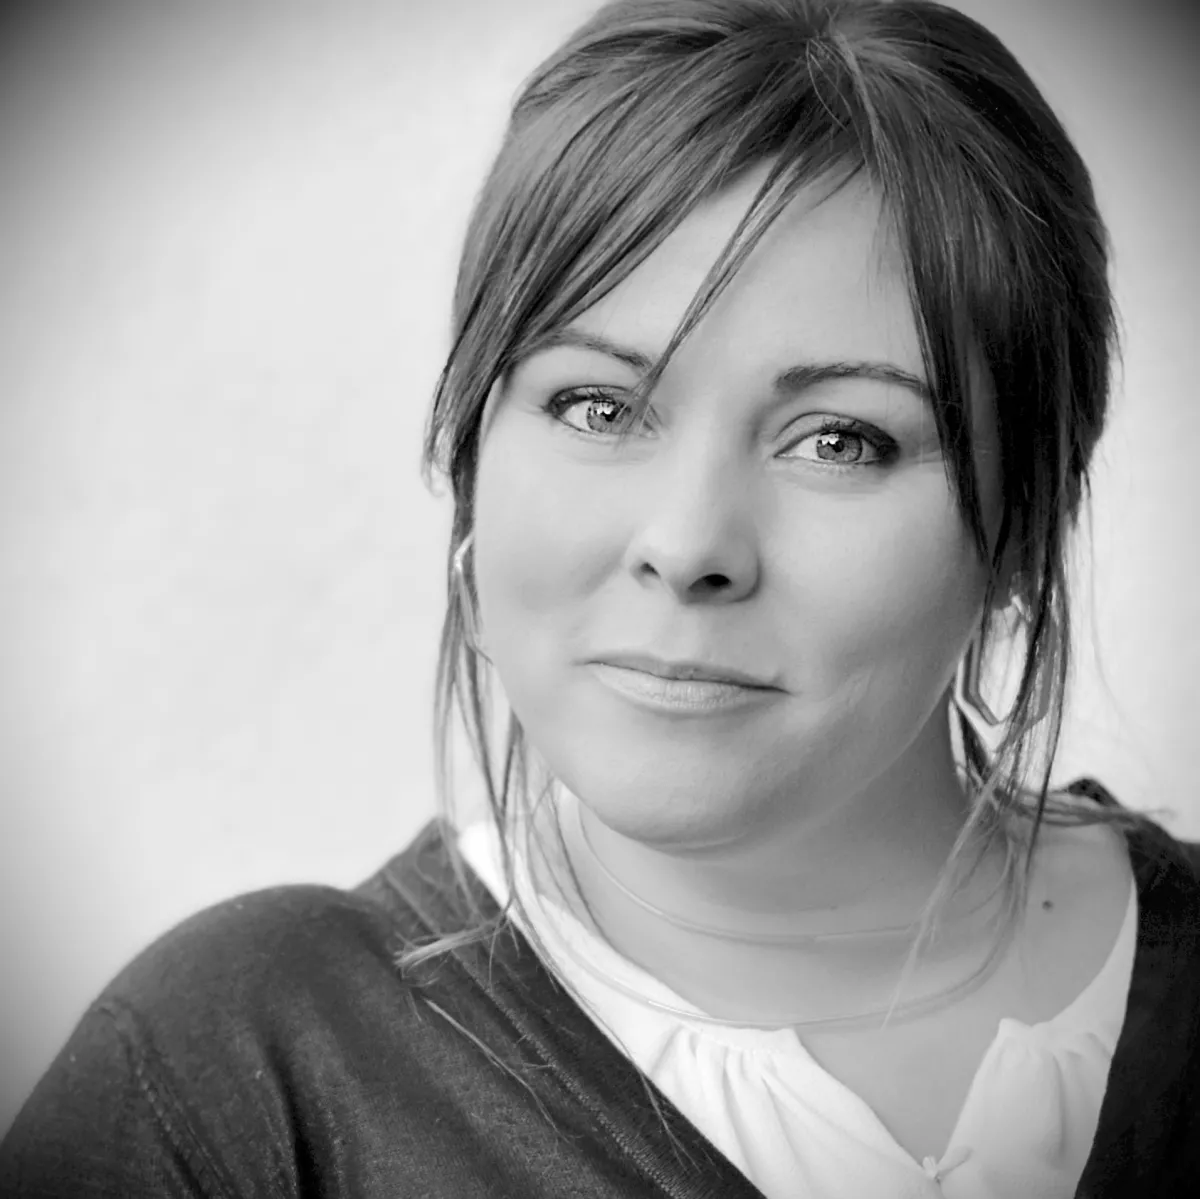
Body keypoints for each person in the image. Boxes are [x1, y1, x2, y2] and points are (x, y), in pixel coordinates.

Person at [2, 0, 1197, 1195]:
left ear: (1028, 524)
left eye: (839, 438)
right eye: (599, 407)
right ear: (470, 462)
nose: (687, 546)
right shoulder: (233, 1082)